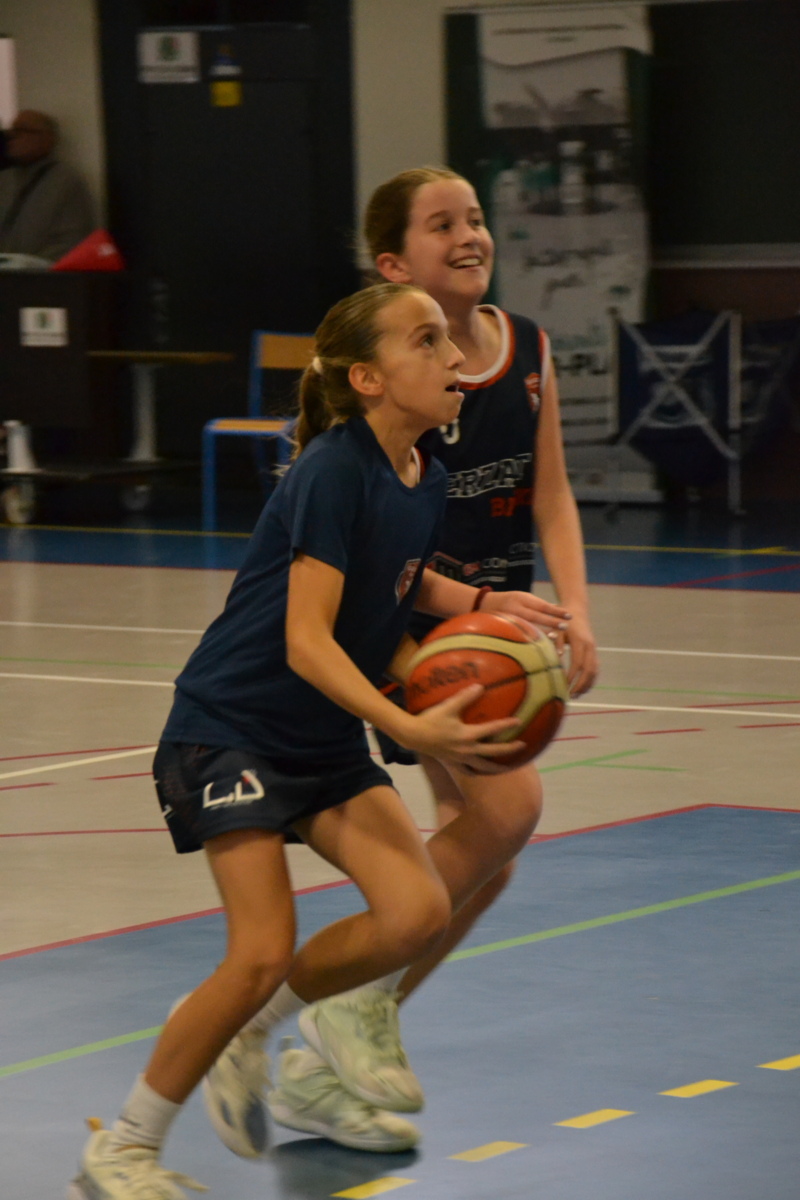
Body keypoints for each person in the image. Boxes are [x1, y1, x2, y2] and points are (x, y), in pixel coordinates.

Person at [66, 281, 572, 1199]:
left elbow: (401, 586)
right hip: (231, 729)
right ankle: (123, 1149)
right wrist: (408, 724)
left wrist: (479, 614)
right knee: (259, 949)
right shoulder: (332, 469)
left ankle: (253, 1031)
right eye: (427, 342)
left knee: (416, 913)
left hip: (320, 737)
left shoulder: (425, 474)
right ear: (369, 378)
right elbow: (306, 640)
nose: (453, 357)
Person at [241, 166, 599, 1152]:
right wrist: (463, 613)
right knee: (508, 811)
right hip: (413, 626)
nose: (470, 234)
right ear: (393, 264)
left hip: (492, 625)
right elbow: (361, 531)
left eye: (476, 217)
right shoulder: (387, 379)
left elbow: (550, 495)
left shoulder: (526, 350)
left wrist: (574, 609)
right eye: (443, 224)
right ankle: (338, 1010)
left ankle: (326, 1062)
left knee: (486, 862)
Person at [0, 110, 94, 263]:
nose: (12, 136)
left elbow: (73, 240)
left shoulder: (66, 182)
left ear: (47, 139)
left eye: (22, 130)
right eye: (12, 130)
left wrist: (27, 265)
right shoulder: (4, 179)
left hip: (40, 273)